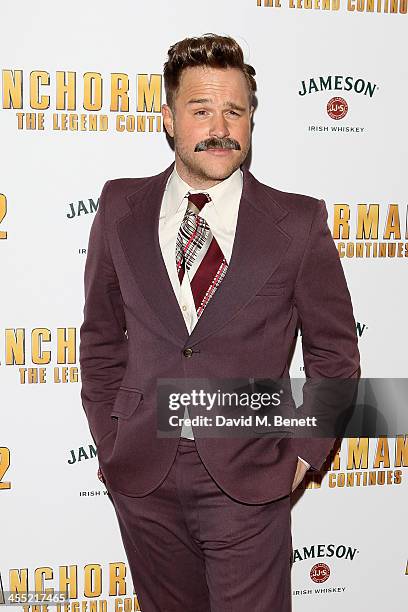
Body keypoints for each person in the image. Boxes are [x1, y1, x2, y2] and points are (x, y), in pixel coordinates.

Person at [79, 33, 360, 612]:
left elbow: (334, 352)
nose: (220, 126)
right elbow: (101, 338)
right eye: (201, 109)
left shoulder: (298, 222)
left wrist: (305, 453)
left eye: (235, 111)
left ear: (252, 119)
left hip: (250, 475)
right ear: (168, 117)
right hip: (143, 473)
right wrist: (111, 439)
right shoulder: (119, 207)